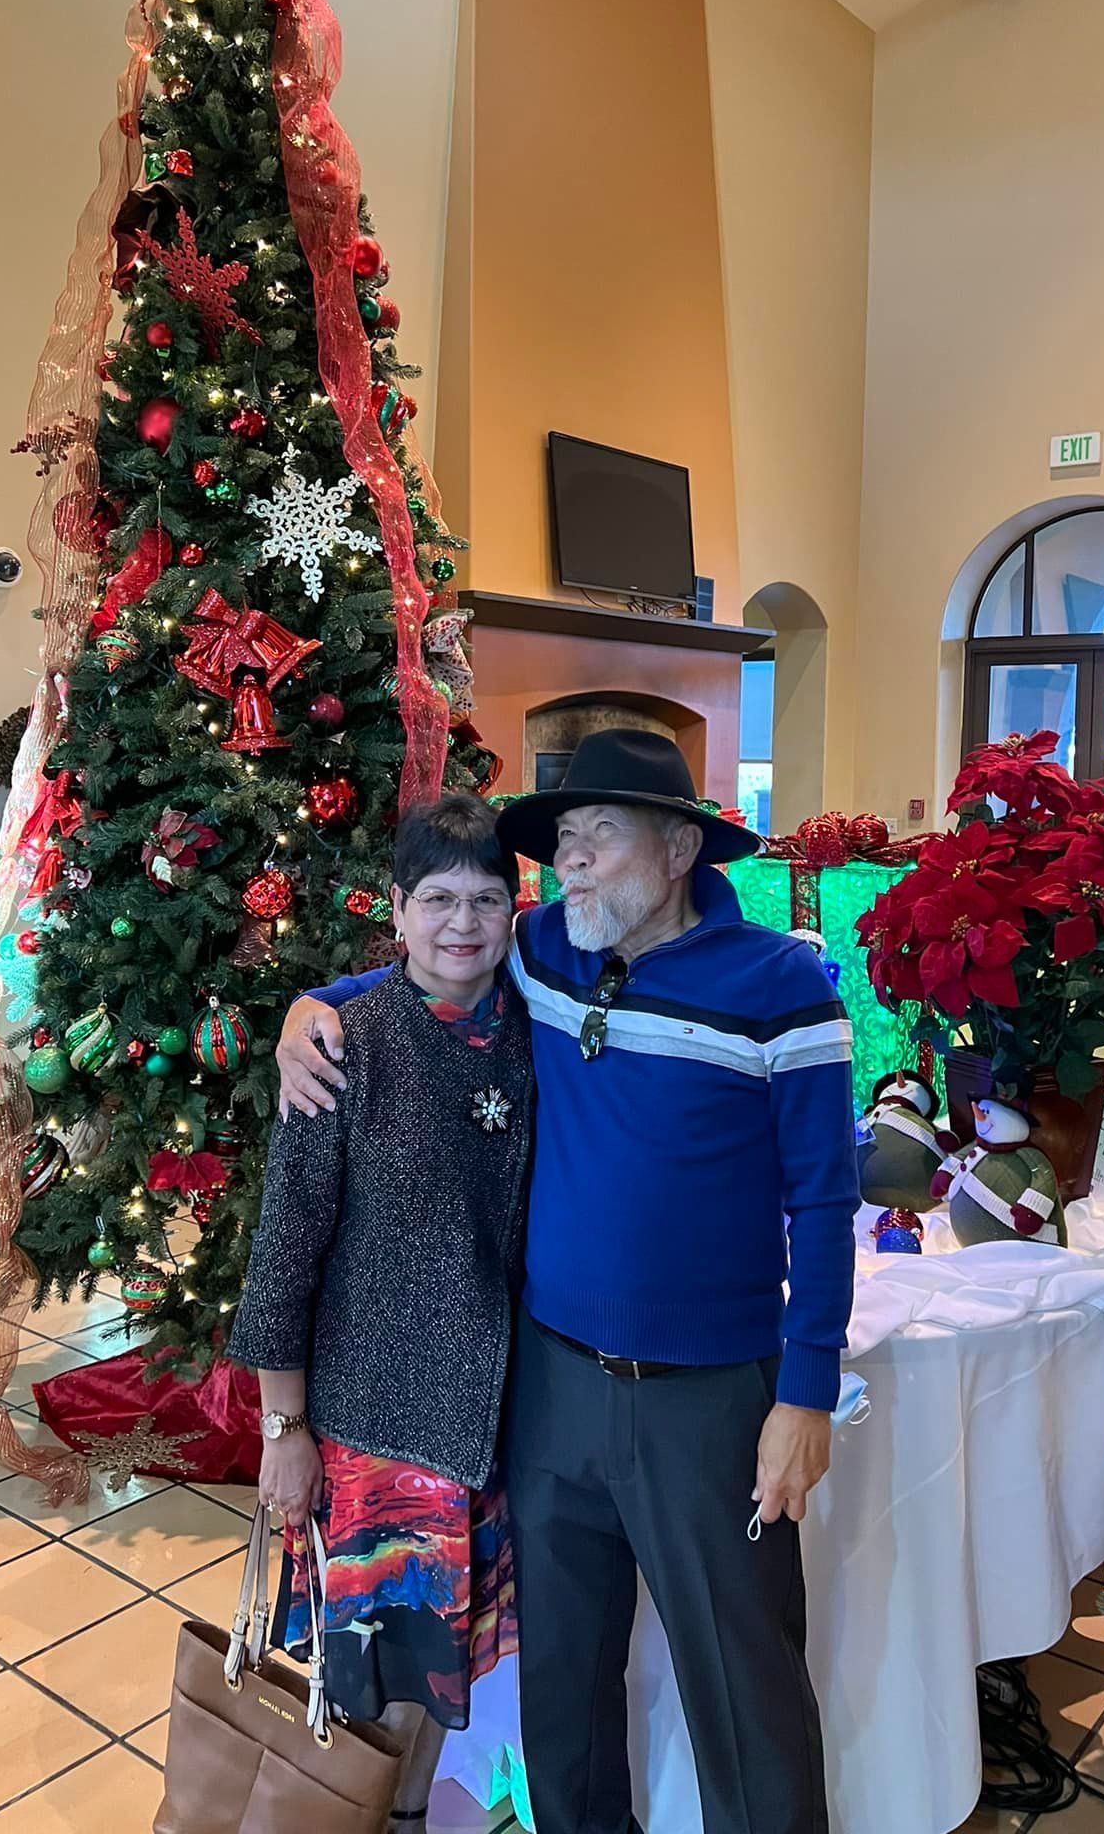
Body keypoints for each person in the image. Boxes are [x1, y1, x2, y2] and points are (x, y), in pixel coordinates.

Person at [279, 729, 859, 1834]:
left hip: (710, 1402)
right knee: (564, 1687)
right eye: (564, 841)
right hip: (552, 1387)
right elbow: (428, 971)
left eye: (599, 835)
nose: (571, 860)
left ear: (680, 847)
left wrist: (807, 1394)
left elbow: (825, 1201)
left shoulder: (781, 986)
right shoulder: (542, 949)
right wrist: (316, 1003)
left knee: (747, 1692)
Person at [228, 793, 533, 1826]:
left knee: (444, 1678)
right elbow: (284, 1255)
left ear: (514, 910)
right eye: (438, 899)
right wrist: (283, 1430)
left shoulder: (535, 1034)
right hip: (373, 1435)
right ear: (397, 910)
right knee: (362, 1696)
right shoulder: (344, 1046)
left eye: (485, 899)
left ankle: (409, 1818)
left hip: (494, 1428)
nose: (462, 923)